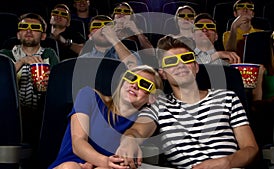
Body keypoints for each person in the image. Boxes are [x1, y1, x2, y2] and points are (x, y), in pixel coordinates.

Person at [114, 35, 258, 169]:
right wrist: (129, 141)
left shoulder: (227, 97)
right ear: (163, 73)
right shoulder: (159, 105)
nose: (180, 65)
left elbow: (250, 148)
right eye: (171, 61)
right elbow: (137, 130)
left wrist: (225, 162)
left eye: (186, 58)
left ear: (196, 66)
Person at [48, 65, 163, 169]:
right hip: (68, 164)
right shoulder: (89, 96)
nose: (135, 85)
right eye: (131, 78)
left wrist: (105, 165)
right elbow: (78, 142)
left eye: (144, 84)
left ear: (152, 98)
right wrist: (105, 161)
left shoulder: (140, 122)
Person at [0, 12, 59, 166]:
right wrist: (22, 62)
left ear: (43, 36)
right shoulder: (6, 54)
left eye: (34, 27)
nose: (28, 30)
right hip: (11, 112)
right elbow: (2, 77)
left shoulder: (49, 54)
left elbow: (57, 82)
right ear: (18, 34)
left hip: (41, 112)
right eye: (24, 27)